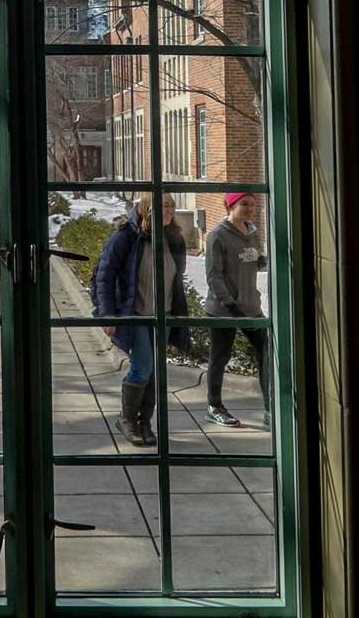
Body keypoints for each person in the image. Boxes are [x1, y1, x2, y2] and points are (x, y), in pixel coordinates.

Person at [91, 193, 192, 447]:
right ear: (147, 209)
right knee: (142, 366)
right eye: (162, 206)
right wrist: (108, 314)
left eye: (171, 206)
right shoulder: (126, 237)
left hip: (163, 315)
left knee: (156, 371)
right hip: (135, 313)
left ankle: (145, 422)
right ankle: (127, 419)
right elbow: (105, 275)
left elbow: (175, 279)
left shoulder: (174, 239)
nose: (168, 210)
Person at [202, 191, 270, 428]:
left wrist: (263, 261)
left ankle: (270, 409)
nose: (250, 209)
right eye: (244, 204)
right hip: (223, 310)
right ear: (230, 206)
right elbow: (213, 276)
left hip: (251, 308)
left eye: (252, 204)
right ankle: (214, 406)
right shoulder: (217, 236)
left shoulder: (251, 232)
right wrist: (229, 302)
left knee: (267, 355)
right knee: (220, 358)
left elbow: (254, 261)